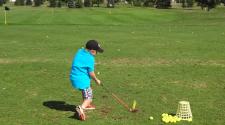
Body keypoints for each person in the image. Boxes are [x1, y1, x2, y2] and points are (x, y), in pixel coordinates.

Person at [70, 40, 104, 121]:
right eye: (96, 51)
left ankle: (87, 105)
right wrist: (96, 80)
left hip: (74, 77)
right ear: (92, 51)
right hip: (81, 79)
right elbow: (91, 73)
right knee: (89, 97)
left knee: (88, 90)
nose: (97, 53)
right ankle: (81, 108)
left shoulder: (80, 51)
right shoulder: (90, 59)